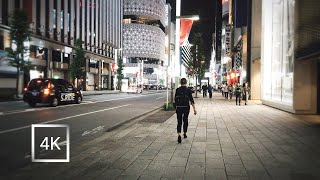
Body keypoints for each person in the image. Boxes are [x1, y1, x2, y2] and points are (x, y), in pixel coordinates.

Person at [175, 78, 197, 143]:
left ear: (180, 82)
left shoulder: (177, 90)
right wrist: (194, 109)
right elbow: (191, 100)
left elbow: (175, 99)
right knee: (185, 120)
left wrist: (176, 107)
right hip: (186, 107)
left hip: (179, 107)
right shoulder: (188, 90)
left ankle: (179, 134)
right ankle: (184, 133)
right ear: (186, 83)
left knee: (179, 121)